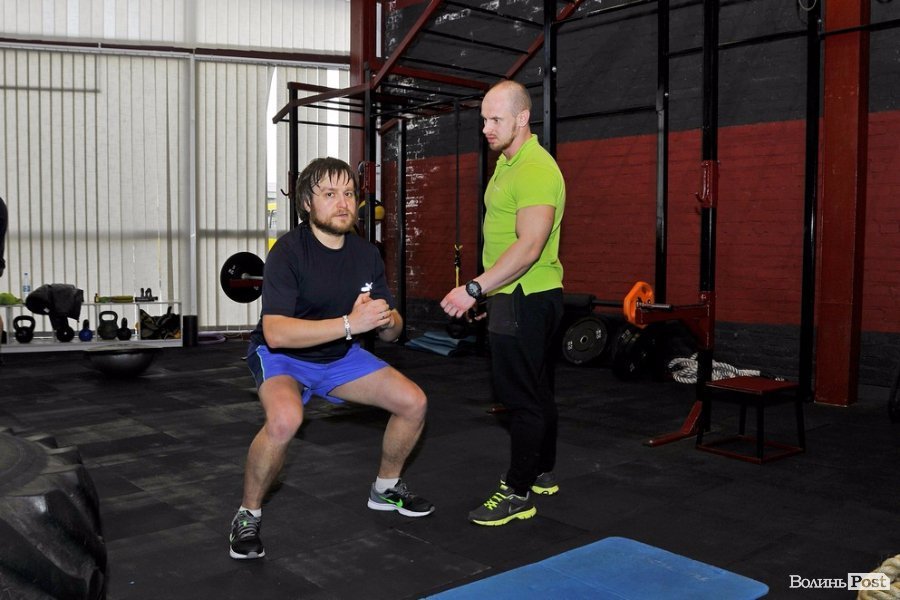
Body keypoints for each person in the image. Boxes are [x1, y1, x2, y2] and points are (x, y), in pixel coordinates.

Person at [230, 157, 433, 560]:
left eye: (349, 193)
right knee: (285, 420)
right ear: (307, 202)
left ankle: (385, 488)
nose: (343, 203)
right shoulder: (288, 252)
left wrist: (385, 319)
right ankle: (247, 513)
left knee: (414, 402)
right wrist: (350, 324)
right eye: (329, 194)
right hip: (284, 357)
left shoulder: (366, 254)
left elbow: (392, 330)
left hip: (339, 356)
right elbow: (276, 332)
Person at [440, 79, 565, 527]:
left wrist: (474, 288)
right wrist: (488, 290)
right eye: (484, 120)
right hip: (514, 293)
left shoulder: (535, 168)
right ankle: (541, 470)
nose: (487, 128)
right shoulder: (508, 162)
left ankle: (517, 492)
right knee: (538, 388)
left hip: (524, 297)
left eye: (496, 119)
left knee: (520, 397)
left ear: (522, 118)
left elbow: (529, 247)